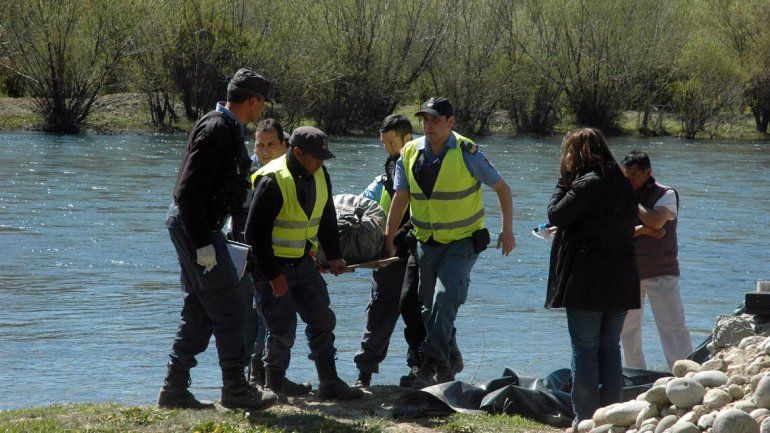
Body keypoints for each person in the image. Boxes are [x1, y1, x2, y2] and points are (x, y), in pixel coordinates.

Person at [158, 68, 277, 410]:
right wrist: (203, 244)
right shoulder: (217, 130)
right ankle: (236, 389)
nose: (262, 110)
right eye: (262, 103)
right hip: (195, 227)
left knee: (199, 308)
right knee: (232, 307)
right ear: (252, 101)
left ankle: (174, 389)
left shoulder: (226, 128)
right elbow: (187, 191)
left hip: (196, 226)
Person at [384, 97, 516, 389]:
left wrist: (508, 230)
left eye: (435, 120)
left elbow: (502, 189)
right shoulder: (409, 153)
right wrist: (388, 236)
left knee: (446, 299)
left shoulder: (467, 152)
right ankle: (448, 360)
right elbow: (400, 197)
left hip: (462, 241)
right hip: (425, 241)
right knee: (427, 307)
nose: (429, 126)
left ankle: (430, 363)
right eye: (425, 120)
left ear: (451, 122)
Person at [244, 126, 364, 400]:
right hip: (270, 268)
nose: (321, 162)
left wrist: (334, 255)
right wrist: (274, 275)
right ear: (297, 152)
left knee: (322, 318)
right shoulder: (273, 180)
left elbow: (328, 217)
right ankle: (273, 386)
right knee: (282, 330)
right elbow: (254, 235)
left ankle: (329, 382)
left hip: (303, 264)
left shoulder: (320, 173)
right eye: (317, 156)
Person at [545, 128, 640, 429]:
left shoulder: (586, 184)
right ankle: (613, 416)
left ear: (576, 155)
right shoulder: (624, 184)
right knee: (610, 348)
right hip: (622, 279)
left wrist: (562, 180)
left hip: (587, 280)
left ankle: (585, 419)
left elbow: (555, 215)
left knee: (584, 352)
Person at [353, 114, 425, 388]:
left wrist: (395, 238)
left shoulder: (423, 164)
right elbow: (378, 201)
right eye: (383, 143)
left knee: (421, 312)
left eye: (390, 143)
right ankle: (365, 373)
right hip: (388, 250)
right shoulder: (392, 165)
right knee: (380, 309)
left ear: (407, 138)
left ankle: (425, 369)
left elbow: (425, 209)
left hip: (413, 250)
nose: (386, 148)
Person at [620, 150, 692, 371]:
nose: (630, 179)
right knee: (627, 330)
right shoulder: (621, 195)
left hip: (662, 271)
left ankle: (685, 375)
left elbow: (656, 221)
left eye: (634, 174)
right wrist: (643, 230)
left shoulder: (666, 194)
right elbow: (614, 232)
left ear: (648, 172)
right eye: (626, 175)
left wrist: (633, 203)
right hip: (629, 272)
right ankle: (635, 375)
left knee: (672, 327)